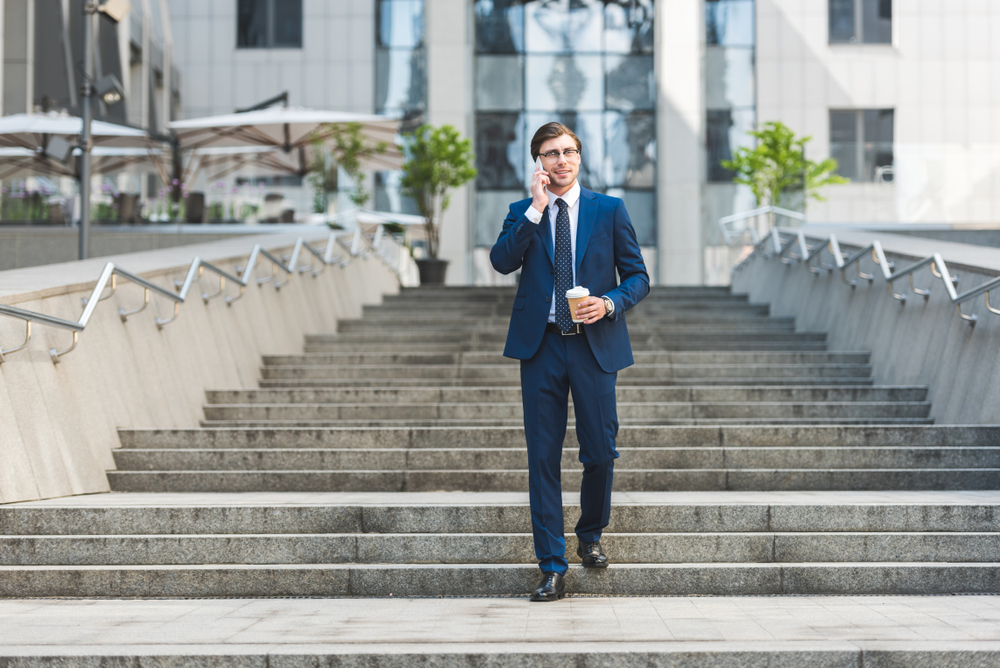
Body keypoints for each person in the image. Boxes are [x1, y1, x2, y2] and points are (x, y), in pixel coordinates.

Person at [489, 122, 650, 602]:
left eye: (569, 151)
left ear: (579, 156)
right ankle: (551, 565)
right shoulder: (523, 212)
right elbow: (501, 262)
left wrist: (610, 303)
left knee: (600, 450)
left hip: (593, 344)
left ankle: (590, 533)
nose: (562, 160)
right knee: (542, 456)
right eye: (551, 153)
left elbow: (638, 277)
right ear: (538, 162)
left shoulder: (609, 210)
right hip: (540, 347)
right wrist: (536, 210)